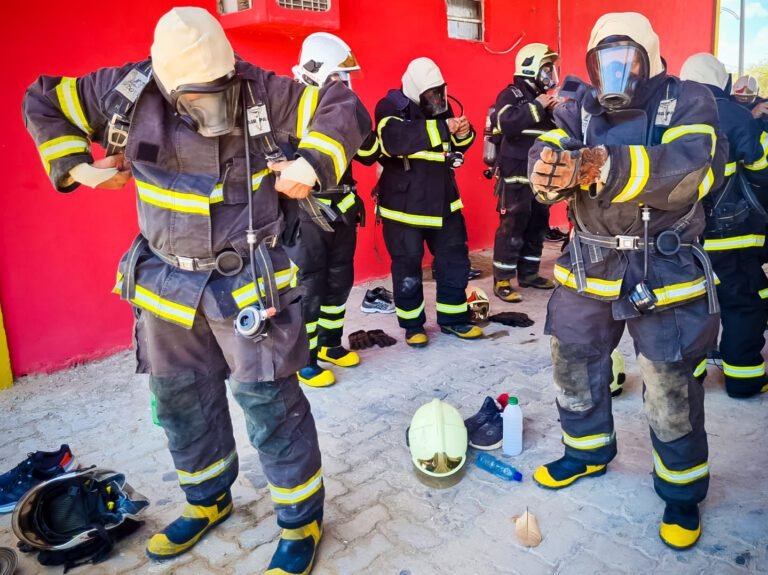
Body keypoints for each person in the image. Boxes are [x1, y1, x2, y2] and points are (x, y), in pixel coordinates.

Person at [23, 8, 369, 574]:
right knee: (182, 402)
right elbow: (43, 99)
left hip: (245, 281)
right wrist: (74, 166)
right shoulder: (123, 90)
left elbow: (340, 105)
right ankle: (207, 500)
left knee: (271, 405)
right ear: (163, 74)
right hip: (165, 284)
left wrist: (314, 160)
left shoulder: (260, 89)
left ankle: (300, 519)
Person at [527, 12, 724, 550]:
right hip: (588, 264)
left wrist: (601, 166)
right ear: (591, 63)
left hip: (663, 267)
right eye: (605, 60)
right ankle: (585, 451)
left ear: (650, 54)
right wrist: (548, 169)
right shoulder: (577, 105)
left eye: (627, 58)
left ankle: (682, 492)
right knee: (573, 360)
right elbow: (547, 149)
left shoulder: (688, 100)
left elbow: (688, 168)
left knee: (668, 380)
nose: (616, 71)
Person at [287, 32, 380, 388]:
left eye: (347, 77)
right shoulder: (291, 107)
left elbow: (369, 156)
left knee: (340, 280)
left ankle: (329, 344)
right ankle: (304, 357)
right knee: (310, 284)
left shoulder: (342, 109)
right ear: (316, 73)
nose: (345, 83)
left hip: (342, 208)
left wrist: (358, 122)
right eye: (338, 77)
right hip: (306, 212)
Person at [374, 57, 482, 347]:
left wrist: (463, 133)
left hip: (444, 202)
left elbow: (455, 146)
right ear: (414, 90)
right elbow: (395, 140)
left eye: (439, 92)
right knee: (407, 267)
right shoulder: (390, 107)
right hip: (404, 208)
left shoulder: (440, 109)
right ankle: (412, 326)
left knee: (454, 262)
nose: (436, 99)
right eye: (430, 94)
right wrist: (444, 127)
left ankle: (454, 319)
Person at [681, 53, 768, 398]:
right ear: (723, 81)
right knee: (741, 301)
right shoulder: (736, 115)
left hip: (682, 236)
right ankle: (743, 378)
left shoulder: (668, 114)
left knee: (689, 305)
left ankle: (692, 376)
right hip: (733, 235)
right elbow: (763, 170)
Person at [490, 43, 560, 303]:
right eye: (546, 68)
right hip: (516, 170)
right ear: (530, 66)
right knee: (513, 223)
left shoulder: (542, 100)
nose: (549, 74)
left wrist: (555, 111)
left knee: (538, 222)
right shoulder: (512, 94)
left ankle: (529, 273)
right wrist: (538, 106)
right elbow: (505, 122)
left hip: (541, 171)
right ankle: (503, 279)